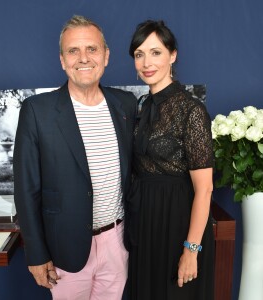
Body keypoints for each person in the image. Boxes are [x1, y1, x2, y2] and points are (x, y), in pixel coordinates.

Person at [13, 15, 137, 300]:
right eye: (73, 50)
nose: (84, 58)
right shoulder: (37, 111)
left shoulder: (126, 104)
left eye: (92, 49)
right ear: (62, 59)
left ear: (106, 56)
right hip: (64, 249)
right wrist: (36, 253)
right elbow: (26, 189)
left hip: (117, 242)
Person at [124, 19, 215, 300]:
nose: (146, 62)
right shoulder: (140, 107)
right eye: (139, 54)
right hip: (144, 224)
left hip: (179, 224)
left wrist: (191, 250)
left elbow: (205, 188)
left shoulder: (192, 110)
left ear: (172, 55)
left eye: (156, 52)